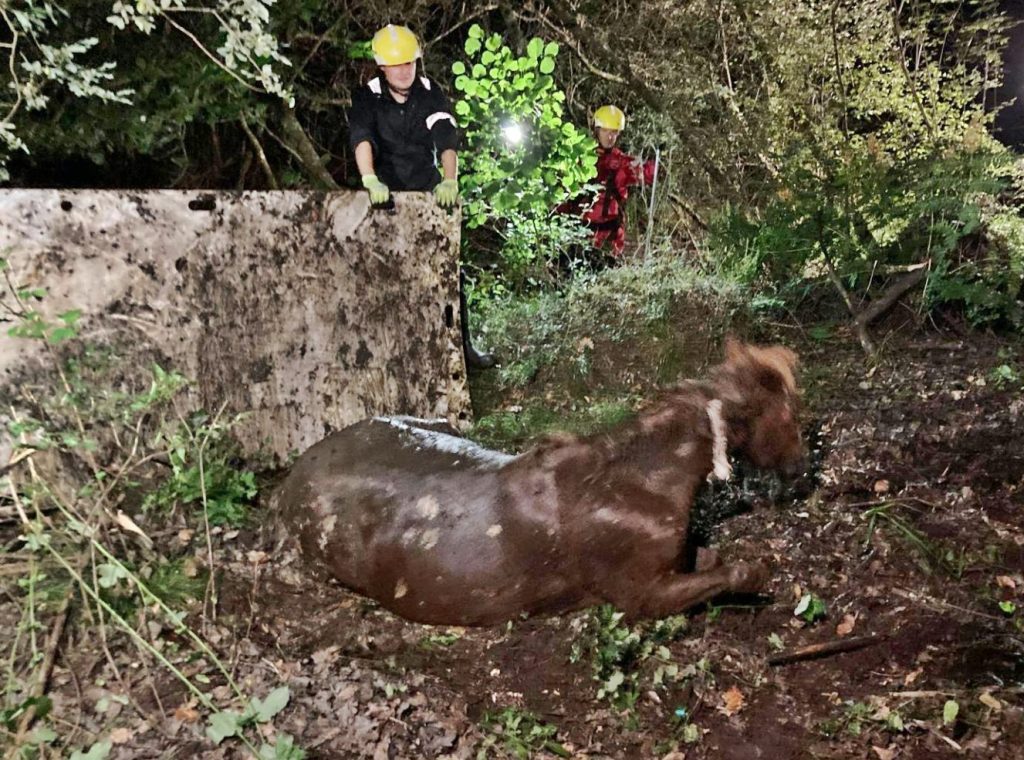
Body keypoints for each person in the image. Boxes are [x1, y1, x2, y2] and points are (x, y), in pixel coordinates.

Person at [347, 24, 495, 369]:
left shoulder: (430, 92)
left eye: (410, 63)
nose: (405, 71)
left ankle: (462, 349)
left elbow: (445, 134)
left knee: (447, 273)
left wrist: (449, 180)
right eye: (396, 65)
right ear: (382, 67)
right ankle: (393, 356)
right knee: (389, 276)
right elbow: (362, 137)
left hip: (427, 191)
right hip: (386, 196)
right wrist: (369, 178)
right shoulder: (367, 96)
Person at [557, 105, 656, 268]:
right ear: (597, 130)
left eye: (614, 132)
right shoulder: (579, 158)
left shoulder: (622, 163)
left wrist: (656, 163)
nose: (610, 137)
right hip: (578, 235)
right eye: (606, 131)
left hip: (609, 238)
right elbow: (563, 197)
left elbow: (647, 172)